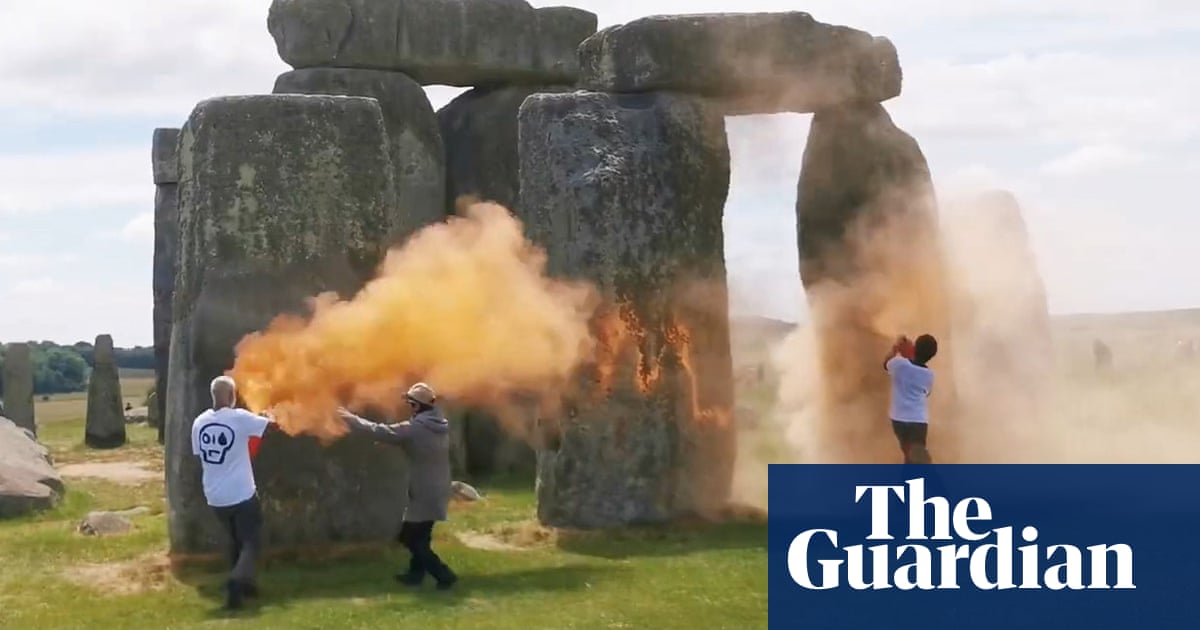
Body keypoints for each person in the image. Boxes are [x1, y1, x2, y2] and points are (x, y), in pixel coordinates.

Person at [338, 382, 457, 590]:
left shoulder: (416, 428)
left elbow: (378, 431)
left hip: (424, 490)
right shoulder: (438, 423)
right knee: (421, 536)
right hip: (437, 486)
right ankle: (415, 575)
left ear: (417, 405)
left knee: (410, 538)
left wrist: (348, 418)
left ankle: (443, 575)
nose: (408, 406)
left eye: (411, 403)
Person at [191, 375, 276, 610]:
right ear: (231, 396)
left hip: (214, 496)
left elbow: (199, 455)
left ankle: (246, 587)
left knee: (235, 542)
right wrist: (270, 414)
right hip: (241, 494)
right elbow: (271, 426)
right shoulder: (239, 417)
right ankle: (236, 584)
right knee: (252, 542)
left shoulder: (199, 422)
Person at [884, 334, 938, 464]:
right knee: (917, 457)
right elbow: (927, 393)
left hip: (898, 419)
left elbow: (886, 364)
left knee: (910, 455)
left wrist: (896, 348)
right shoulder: (929, 375)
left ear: (915, 347)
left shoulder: (899, 364)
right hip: (918, 420)